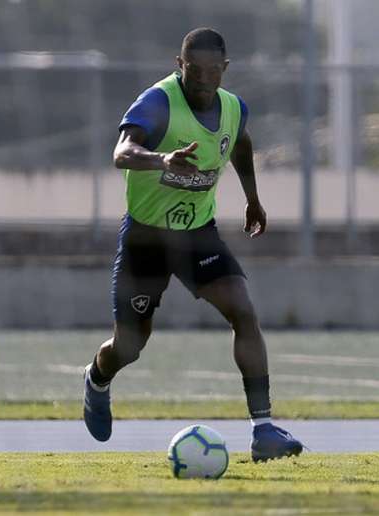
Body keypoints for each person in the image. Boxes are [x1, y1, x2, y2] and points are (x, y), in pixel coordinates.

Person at [82, 27, 303, 462]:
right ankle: (96, 379)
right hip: (146, 238)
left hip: (198, 233)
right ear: (178, 65)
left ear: (225, 69)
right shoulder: (158, 103)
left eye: (212, 71)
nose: (203, 79)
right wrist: (160, 159)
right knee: (129, 346)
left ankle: (263, 430)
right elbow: (122, 152)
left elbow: (239, 142)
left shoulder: (234, 107)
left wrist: (253, 199)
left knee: (242, 309)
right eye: (193, 69)